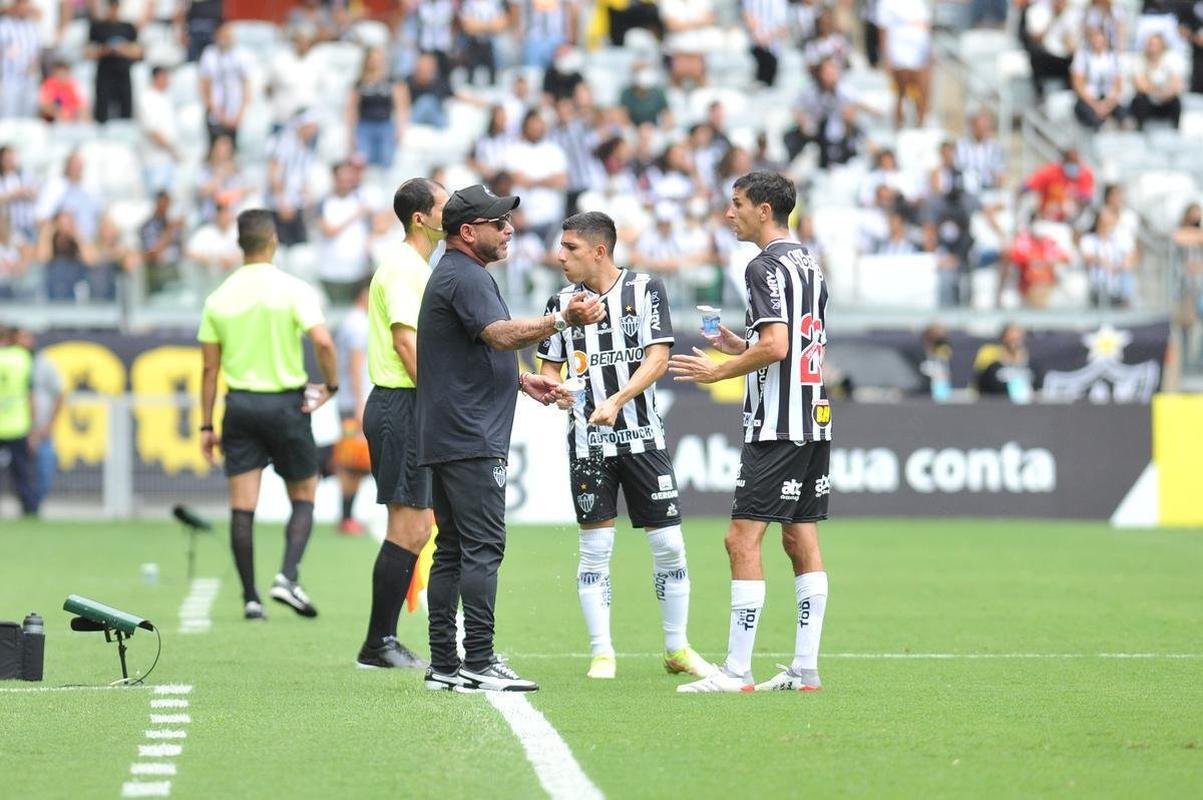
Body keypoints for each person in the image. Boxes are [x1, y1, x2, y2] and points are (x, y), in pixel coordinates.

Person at [416, 184, 604, 693]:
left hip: (450, 431)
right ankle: (478, 659)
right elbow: (499, 334)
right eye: (499, 223)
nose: (509, 229)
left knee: (453, 549)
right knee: (482, 547)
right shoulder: (467, 276)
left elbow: (472, 348)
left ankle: (444, 664)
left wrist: (523, 381)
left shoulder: (457, 273)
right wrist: (563, 317)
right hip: (470, 434)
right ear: (468, 231)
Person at [668, 172, 831, 693]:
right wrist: (739, 344)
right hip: (814, 414)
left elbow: (778, 346)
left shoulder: (763, 266)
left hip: (777, 423)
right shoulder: (810, 263)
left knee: (741, 538)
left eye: (736, 204)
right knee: (800, 535)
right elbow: (784, 342)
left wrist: (717, 370)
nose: (728, 212)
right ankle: (805, 667)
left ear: (765, 210)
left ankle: (736, 671)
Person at [536, 211, 713, 681]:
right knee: (595, 549)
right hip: (588, 443)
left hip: (642, 438)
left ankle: (677, 647)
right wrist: (554, 390)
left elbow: (658, 358)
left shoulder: (644, 289)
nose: (560, 256)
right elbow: (549, 368)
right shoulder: (561, 302)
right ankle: (602, 652)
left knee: (670, 545)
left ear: (599, 250)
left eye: (570, 248)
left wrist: (616, 399)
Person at [197, 210, 340, 621]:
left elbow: (209, 369)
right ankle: (287, 575)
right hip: (285, 405)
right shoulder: (292, 288)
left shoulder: (218, 297)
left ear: (239, 244)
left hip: (240, 406)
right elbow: (324, 342)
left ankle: (250, 598)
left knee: (242, 507)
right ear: (273, 240)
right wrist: (329, 387)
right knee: (304, 494)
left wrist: (207, 425)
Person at [354, 177, 449, 670]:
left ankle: (382, 640)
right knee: (410, 526)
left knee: (417, 526)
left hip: (404, 403)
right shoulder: (404, 270)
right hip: (403, 403)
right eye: (444, 207)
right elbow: (406, 344)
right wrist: (439, 400)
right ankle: (378, 643)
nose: (450, 214)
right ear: (421, 218)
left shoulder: (412, 266)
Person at [15, 327, 63, 512]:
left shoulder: (43, 363)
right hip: (13, 430)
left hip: (41, 430)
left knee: (44, 470)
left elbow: (59, 394)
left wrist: (48, 425)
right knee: (18, 473)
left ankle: (34, 507)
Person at [0, 324, 36, 517]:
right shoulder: (22, 358)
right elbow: (30, 394)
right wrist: (33, 425)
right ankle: (29, 510)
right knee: (21, 473)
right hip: (16, 424)